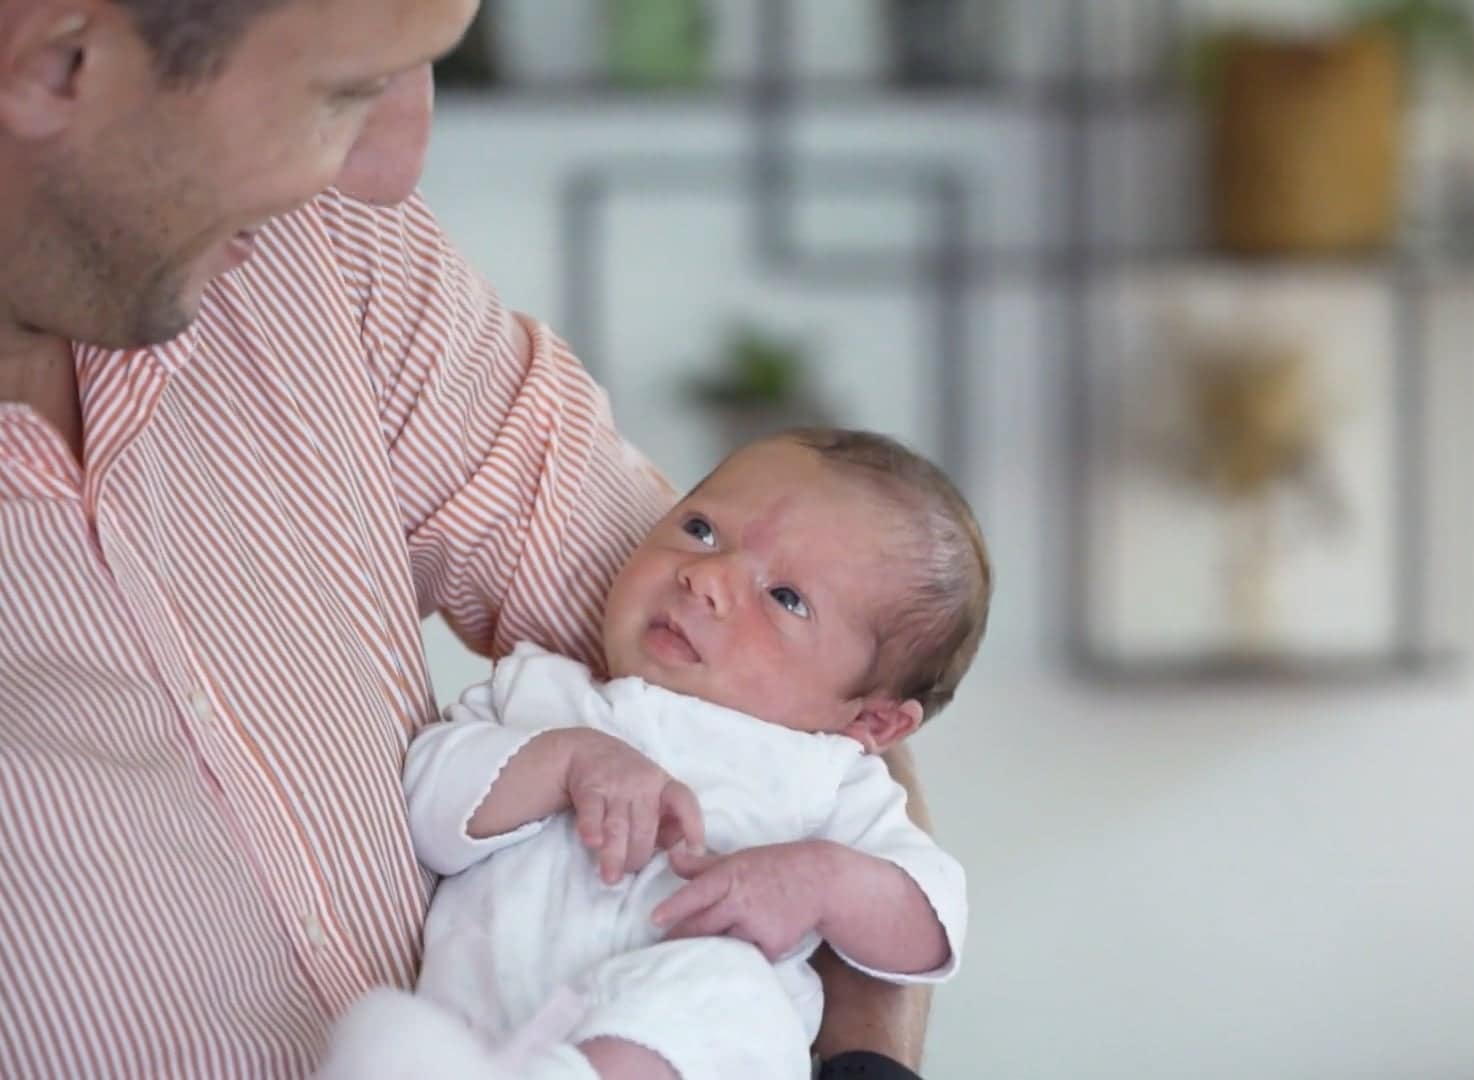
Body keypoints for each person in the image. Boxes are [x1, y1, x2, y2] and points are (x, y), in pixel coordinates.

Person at [0, 2, 936, 1075]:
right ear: (61, 63)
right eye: (344, 91)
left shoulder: (332, 254)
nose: (397, 170)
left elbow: (816, 676)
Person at [317, 428, 989, 1080]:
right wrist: (565, 763)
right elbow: (420, 808)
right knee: (383, 1032)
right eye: (701, 529)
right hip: (478, 1040)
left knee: (735, 990)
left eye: (785, 598)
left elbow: (931, 922)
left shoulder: (828, 780)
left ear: (871, 718)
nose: (706, 577)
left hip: (683, 1054)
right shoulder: (538, 693)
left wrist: (823, 884)